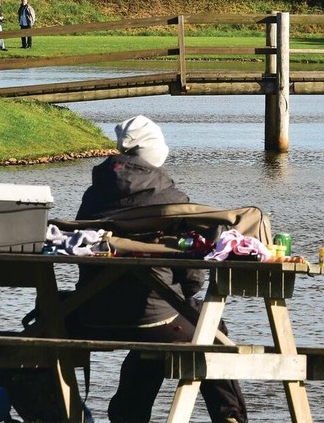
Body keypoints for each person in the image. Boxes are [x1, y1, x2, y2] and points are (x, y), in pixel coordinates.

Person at [71, 115, 247, 423]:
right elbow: (192, 275)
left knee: (151, 344)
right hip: (155, 317)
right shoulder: (172, 201)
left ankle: (127, 418)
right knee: (210, 328)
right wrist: (185, 297)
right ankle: (230, 418)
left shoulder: (92, 196)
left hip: (88, 313)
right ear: (154, 153)